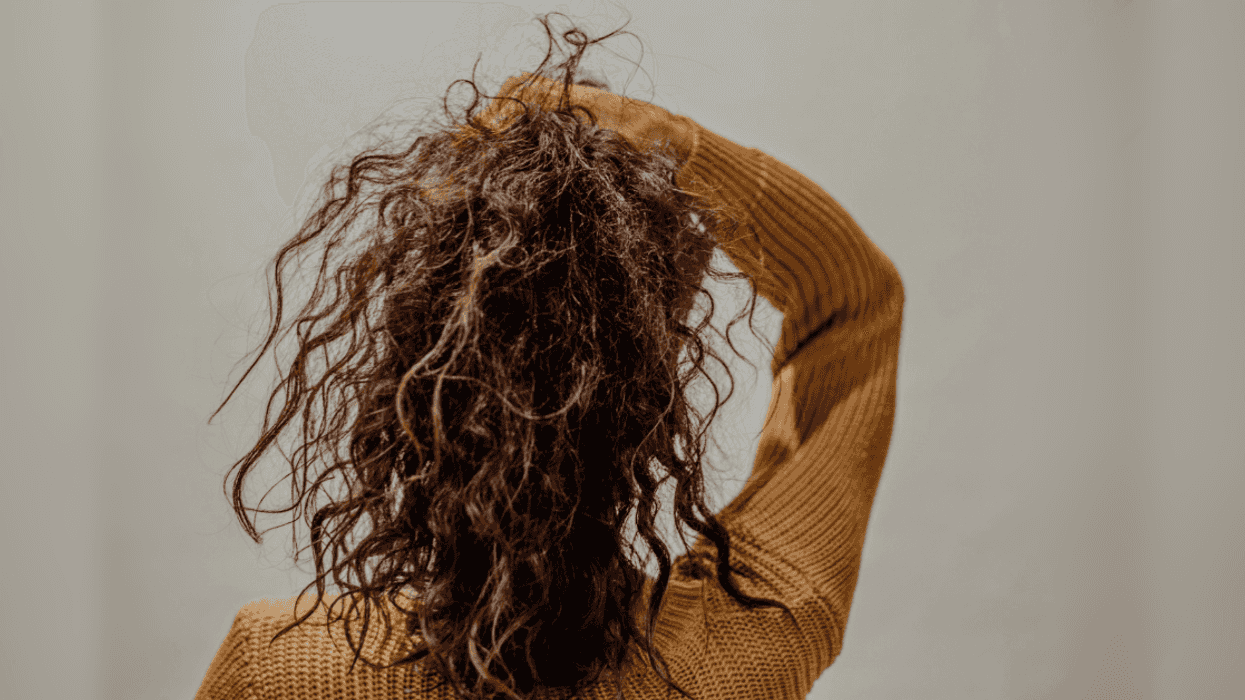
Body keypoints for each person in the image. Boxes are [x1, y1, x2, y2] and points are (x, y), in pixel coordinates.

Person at [195, 13, 904, 700]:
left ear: (413, 377)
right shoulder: (751, 642)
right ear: (653, 386)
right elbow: (855, 301)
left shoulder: (279, 668)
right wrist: (669, 140)